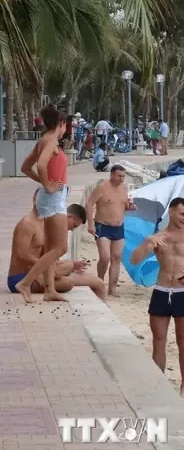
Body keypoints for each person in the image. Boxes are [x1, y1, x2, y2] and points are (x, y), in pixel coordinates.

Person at [129, 198, 184, 396]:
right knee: (158, 340)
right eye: (182, 214)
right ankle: (159, 382)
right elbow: (134, 259)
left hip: (183, 292)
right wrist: (148, 242)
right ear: (171, 212)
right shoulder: (159, 237)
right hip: (162, 290)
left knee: (183, 340)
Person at [15, 105, 71, 303]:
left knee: (50, 248)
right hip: (53, 198)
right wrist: (47, 184)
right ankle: (25, 283)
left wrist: (43, 184)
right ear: (61, 124)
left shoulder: (43, 140)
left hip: (50, 196)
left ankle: (49, 290)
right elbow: (40, 165)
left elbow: (25, 167)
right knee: (61, 248)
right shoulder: (51, 141)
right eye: (66, 125)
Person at [8, 194, 104, 300]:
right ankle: (33, 284)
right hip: (19, 277)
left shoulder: (43, 224)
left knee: (97, 282)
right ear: (34, 200)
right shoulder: (26, 224)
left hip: (35, 272)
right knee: (68, 283)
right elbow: (21, 254)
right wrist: (45, 268)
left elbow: (47, 255)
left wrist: (56, 268)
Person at [86, 165, 133, 297]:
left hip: (119, 227)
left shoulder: (124, 188)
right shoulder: (102, 187)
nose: (121, 179)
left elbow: (123, 205)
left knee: (116, 257)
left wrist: (130, 207)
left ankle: (112, 289)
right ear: (112, 175)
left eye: (123, 176)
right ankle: (99, 283)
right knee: (105, 257)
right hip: (103, 225)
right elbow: (89, 204)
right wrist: (90, 224)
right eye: (119, 176)